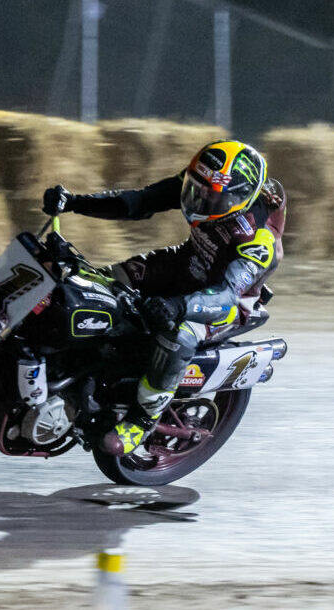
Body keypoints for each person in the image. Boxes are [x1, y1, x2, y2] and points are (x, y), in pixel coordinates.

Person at [42, 140, 285, 456]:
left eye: (214, 198)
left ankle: (143, 419)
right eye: (197, 189)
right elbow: (140, 202)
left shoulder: (259, 239)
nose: (201, 199)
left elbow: (225, 295)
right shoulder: (205, 182)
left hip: (226, 302)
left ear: (240, 199)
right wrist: (74, 203)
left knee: (178, 333)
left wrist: (178, 305)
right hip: (189, 262)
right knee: (103, 281)